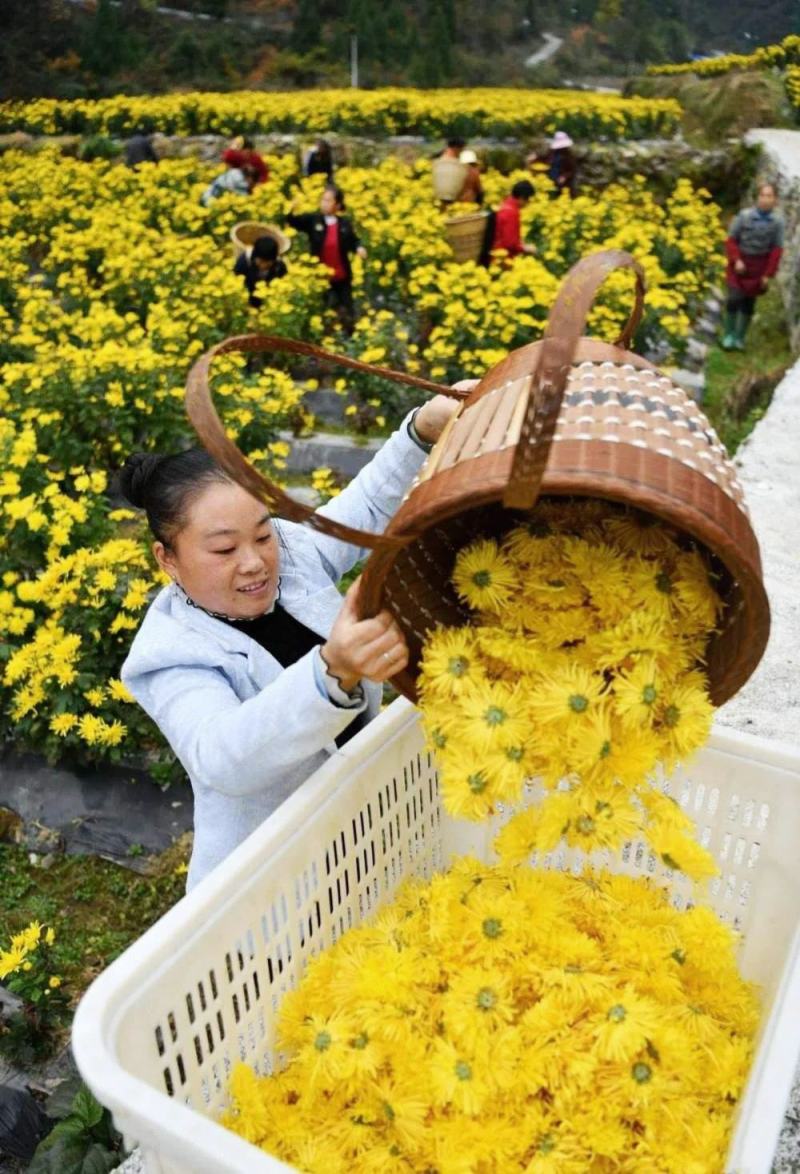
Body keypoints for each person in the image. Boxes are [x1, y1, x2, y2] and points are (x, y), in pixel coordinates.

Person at [118, 393, 461, 890]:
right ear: (166, 559)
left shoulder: (292, 554)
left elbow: (361, 507)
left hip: (372, 822)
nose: (255, 561)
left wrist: (420, 431)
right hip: (277, 881)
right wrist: (330, 672)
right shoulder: (171, 655)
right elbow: (224, 757)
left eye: (262, 535)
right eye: (223, 548)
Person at [287, 185, 366, 334]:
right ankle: (322, 334)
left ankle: (350, 333)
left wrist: (359, 248)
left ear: (337, 205)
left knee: (346, 306)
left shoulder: (344, 224)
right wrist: (292, 209)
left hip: (341, 274)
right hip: (320, 276)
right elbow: (293, 222)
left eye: (328, 200)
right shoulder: (313, 220)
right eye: (323, 200)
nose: (324, 203)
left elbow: (353, 241)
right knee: (321, 307)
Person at [722, 181, 784, 350]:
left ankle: (739, 338)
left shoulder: (777, 223)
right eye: (762, 195)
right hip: (740, 265)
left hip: (759, 267)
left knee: (748, 304)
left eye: (769, 196)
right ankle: (728, 335)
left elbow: (776, 250)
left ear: (775, 200)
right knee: (734, 299)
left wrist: (767, 275)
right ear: (757, 198)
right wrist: (737, 260)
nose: (765, 199)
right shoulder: (744, 216)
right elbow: (731, 241)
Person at [480, 180, 537, 266]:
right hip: (502, 259)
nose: (528, 203)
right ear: (521, 198)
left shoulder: (506, 203)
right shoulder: (511, 212)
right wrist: (525, 248)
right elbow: (509, 243)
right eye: (528, 200)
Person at [234, 235, 288, 308]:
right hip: (246, 299)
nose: (263, 266)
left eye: (268, 262)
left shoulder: (279, 266)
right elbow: (236, 283)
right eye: (261, 261)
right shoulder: (243, 263)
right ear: (255, 256)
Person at [537, 130, 578, 199]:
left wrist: (564, 176)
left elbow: (572, 169)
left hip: (564, 184)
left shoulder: (569, 155)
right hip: (551, 179)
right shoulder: (552, 152)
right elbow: (544, 158)